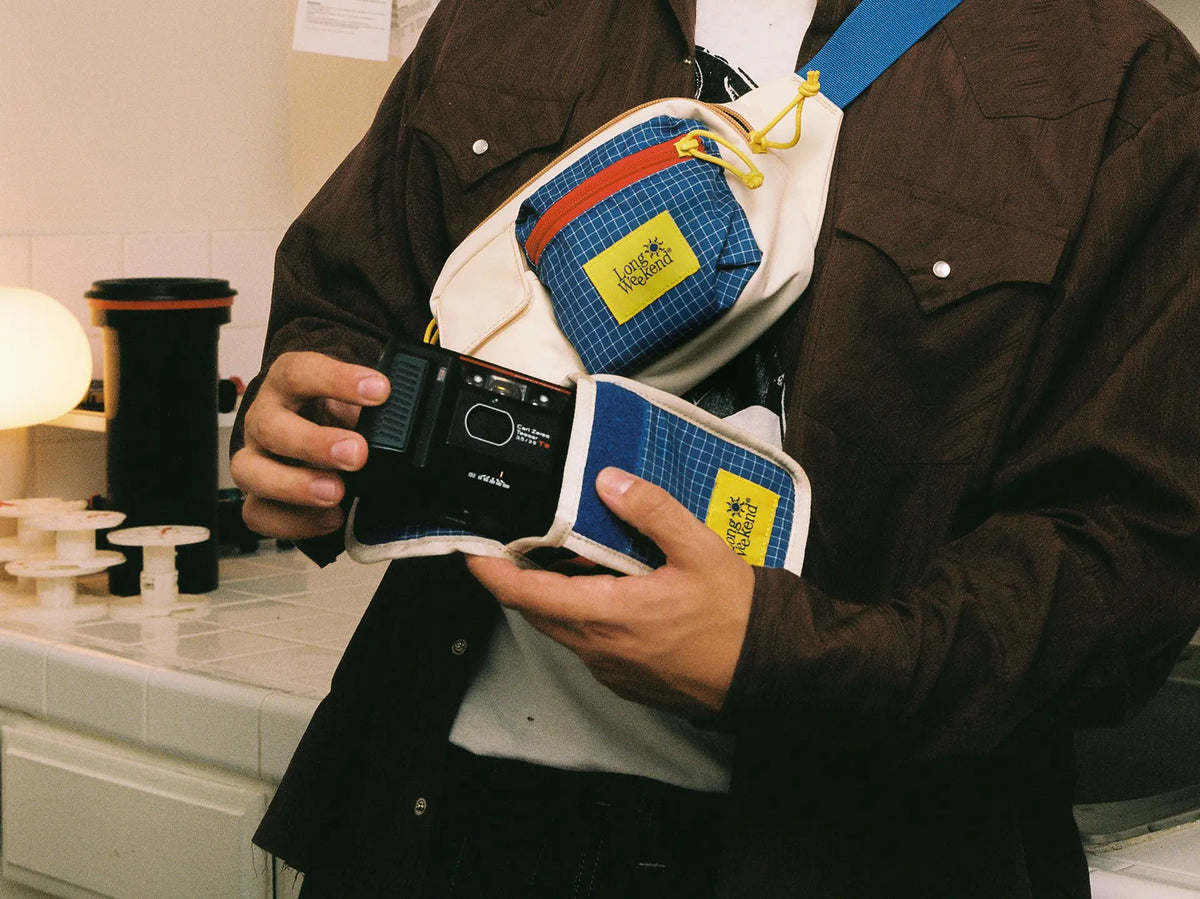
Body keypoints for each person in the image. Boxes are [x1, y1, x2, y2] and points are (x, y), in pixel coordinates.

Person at [230, 0, 1200, 895]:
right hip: (432, 822)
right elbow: (344, 303)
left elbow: (1127, 555)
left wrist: (782, 653)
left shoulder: (1119, 81)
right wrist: (299, 425)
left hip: (843, 855)